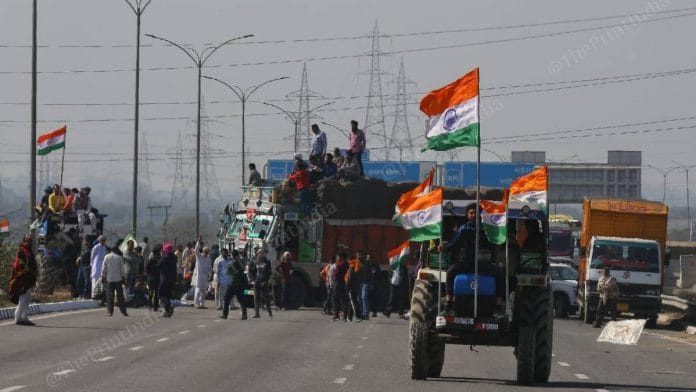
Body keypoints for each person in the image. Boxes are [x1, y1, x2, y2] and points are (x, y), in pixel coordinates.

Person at [438, 203, 492, 314]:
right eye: (471, 213)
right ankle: (449, 303)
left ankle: (498, 305)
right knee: (451, 272)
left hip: (483, 263)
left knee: (500, 274)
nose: (473, 215)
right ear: (467, 215)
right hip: (466, 262)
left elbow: (493, 244)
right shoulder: (464, 229)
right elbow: (455, 244)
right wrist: (445, 248)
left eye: (476, 213)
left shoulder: (488, 229)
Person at [9, 234, 38, 326]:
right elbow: (19, 265)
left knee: (28, 298)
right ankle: (18, 318)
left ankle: (24, 317)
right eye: (27, 240)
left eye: (30, 241)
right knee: (23, 298)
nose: (29, 242)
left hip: (30, 278)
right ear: (24, 241)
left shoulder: (30, 251)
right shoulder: (21, 251)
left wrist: (34, 271)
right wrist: (28, 270)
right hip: (23, 278)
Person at [101, 244, 129, 317]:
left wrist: (103, 277)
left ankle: (110, 312)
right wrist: (124, 278)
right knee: (120, 296)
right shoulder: (119, 258)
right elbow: (123, 270)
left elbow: (104, 268)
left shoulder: (106, 257)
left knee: (110, 296)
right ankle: (123, 312)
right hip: (118, 279)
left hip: (109, 279)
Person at [220, 252, 249, 320]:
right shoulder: (242, 262)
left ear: (232, 256)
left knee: (226, 299)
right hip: (241, 284)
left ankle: (225, 314)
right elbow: (244, 269)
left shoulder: (230, 263)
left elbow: (227, 272)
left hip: (232, 284)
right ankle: (244, 315)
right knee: (242, 300)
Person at [248, 248, 273, 319]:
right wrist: (252, 280)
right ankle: (257, 313)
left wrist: (265, 281)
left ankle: (270, 313)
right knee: (256, 298)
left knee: (266, 298)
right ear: (257, 254)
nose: (260, 254)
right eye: (259, 253)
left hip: (264, 282)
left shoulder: (267, 262)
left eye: (262, 253)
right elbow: (250, 271)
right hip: (256, 282)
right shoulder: (254, 261)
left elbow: (269, 273)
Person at [158, 242, 178, 317]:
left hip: (165, 279)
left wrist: (162, 256)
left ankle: (169, 305)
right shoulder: (174, 257)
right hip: (172, 279)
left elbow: (158, 266)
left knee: (160, 295)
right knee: (167, 295)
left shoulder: (164, 258)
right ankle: (168, 311)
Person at [192, 237, 212, 309]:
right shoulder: (199, 256)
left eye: (207, 251)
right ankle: (196, 303)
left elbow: (209, 267)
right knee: (197, 291)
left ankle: (202, 304)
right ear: (203, 251)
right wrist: (198, 242)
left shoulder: (208, 258)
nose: (206, 253)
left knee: (203, 291)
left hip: (205, 277)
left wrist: (210, 274)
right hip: (198, 276)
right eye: (205, 251)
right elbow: (196, 250)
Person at [345, 252, 364, 322]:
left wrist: (347, 286)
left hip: (351, 287)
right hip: (356, 286)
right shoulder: (356, 267)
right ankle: (349, 317)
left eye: (348, 260)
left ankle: (358, 316)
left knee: (353, 301)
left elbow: (349, 278)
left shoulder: (351, 267)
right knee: (352, 301)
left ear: (350, 260)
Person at [332, 253, 350, 321]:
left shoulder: (339, 264)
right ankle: (345, 316)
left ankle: (336, 315)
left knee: (335, 299)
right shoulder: (348, 264)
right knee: (344, 300)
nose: (337, 259)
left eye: (338, 258)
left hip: (338, 284)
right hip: (345, 284)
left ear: (341, 257)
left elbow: (335, 273)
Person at [145, 244, 162, 312]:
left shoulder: (158, 259)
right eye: (159, 251)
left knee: (154, 293)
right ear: (157, 252)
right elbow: (147, 269)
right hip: (153, 278)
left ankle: (153, 306)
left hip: (155, 277)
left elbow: (147, 268)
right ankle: (153, 306)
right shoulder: (153, 260)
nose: (160, 253)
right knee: (153, 292)